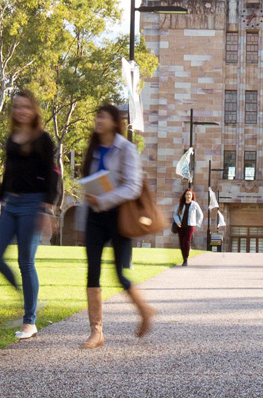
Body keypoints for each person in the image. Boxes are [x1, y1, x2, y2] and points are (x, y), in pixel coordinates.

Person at [81, 104, 154, 349]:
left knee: (119, 273)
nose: (97, 120)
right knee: (92, 271)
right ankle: (97, 332)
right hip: (95, 217)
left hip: (119, 217)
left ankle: (144, 310)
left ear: (114, 121)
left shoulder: (126, 148)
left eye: (102, 116)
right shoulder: (92, 149)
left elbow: (133, 187)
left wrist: (104, 199)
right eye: (96, 116)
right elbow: (88, 185)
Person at [0, 90, 59, 340]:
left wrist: (47, 209)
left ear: (34, 110)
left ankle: (29, 321)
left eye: (26, 107)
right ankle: (27, 298)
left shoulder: (43, 139)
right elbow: (7, 175)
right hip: (11, 204)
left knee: (25, 262)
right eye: (17, 107)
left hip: (33, 205)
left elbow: (52, 176)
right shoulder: (11, 138)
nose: (21, 111)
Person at [172, 188, 203, 266]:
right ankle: (184, 258)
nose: (188, 196)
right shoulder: (180, 204)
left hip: (190, 226)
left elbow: (200, 215)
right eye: (187, 194)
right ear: (184, 196)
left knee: (186, 241)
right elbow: (175, 214)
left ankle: (186, 259)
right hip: (181, 226)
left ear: (192, 195)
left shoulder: (194, 204)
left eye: (190, 194)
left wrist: (197, 223)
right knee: (181, 243)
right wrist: (178, 221)